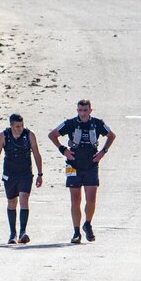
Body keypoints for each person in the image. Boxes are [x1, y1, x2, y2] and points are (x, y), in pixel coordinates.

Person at [48, 99, 115, 243]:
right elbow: (52, 135)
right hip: (73, 165)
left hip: (91, 165)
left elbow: (111, 136)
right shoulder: (70, 123)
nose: (82, 113)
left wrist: (103, 152)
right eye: (80, 110)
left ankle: (88, 224)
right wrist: (63, 150)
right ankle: (76, 232)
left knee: (91, 199)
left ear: (90, 110)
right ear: (77, 110)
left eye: (85, 110)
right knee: (75, 199)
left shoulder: (97, 123)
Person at [0, 113, 43, 244]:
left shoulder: (29, 135)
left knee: (24, 199)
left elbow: (36, 154)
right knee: (11, 202)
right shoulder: (3, 136)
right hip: (10, 173)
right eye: (17, 126)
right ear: (11, 125)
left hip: (25, 173)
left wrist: (40, 174)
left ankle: (22, 232)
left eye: (21, 126)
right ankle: (12, 234)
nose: (20, 129)